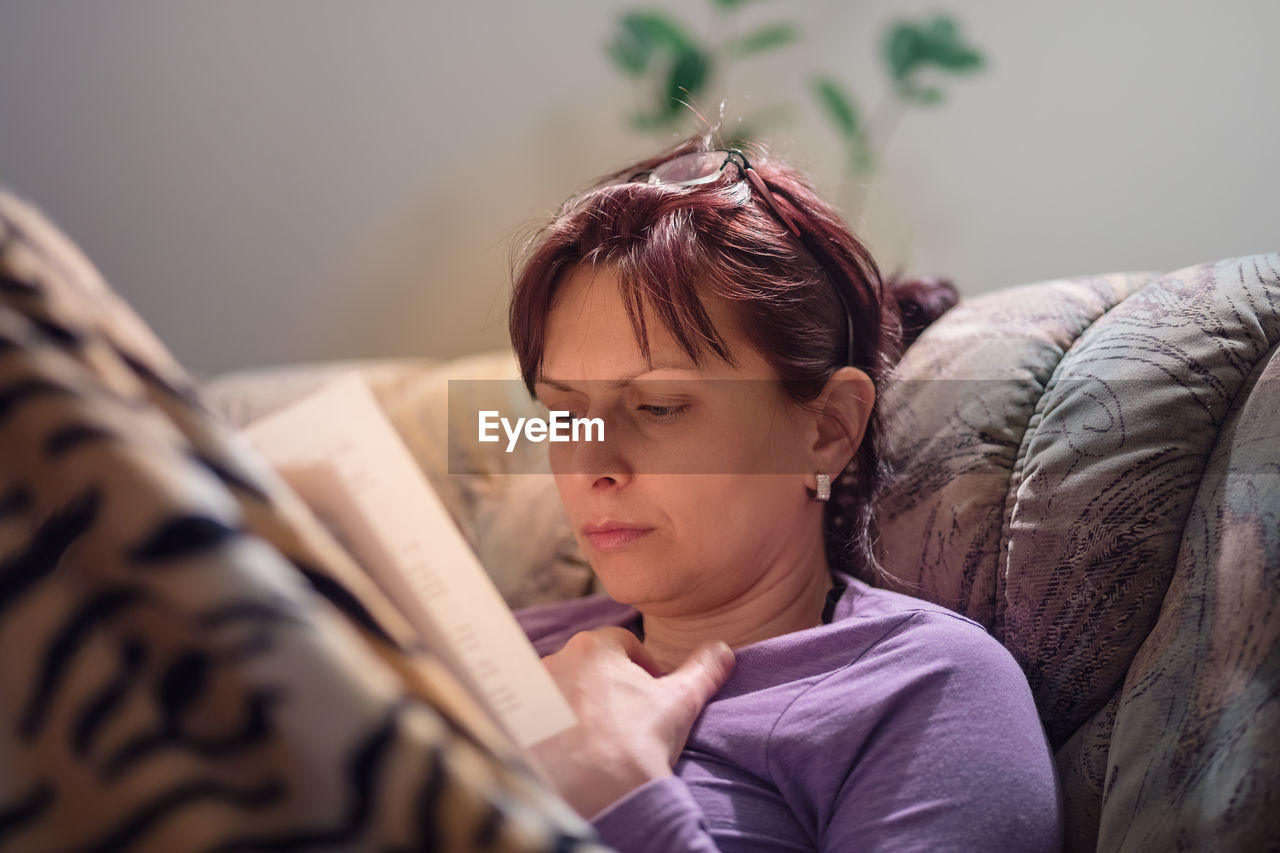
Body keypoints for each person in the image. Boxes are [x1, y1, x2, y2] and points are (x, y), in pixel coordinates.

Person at [506, 136, 1064, 852]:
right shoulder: (515, 652)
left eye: (659, 407)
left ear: (828, 429)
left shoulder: (926, 691)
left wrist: (617, 793)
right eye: (563, 413)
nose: (591, 464)